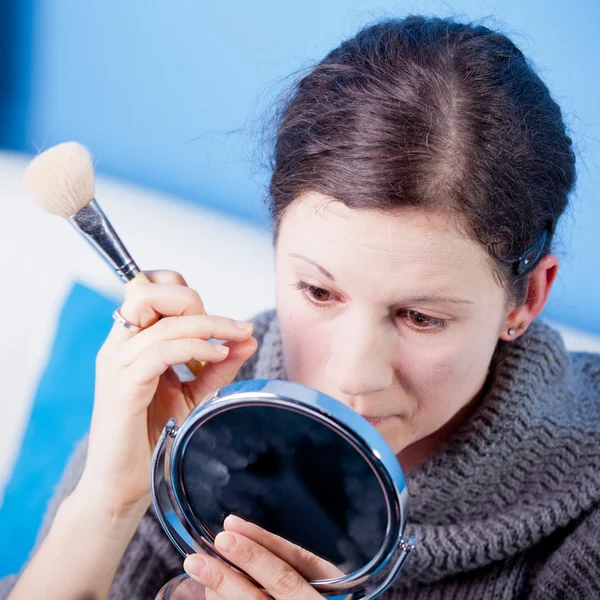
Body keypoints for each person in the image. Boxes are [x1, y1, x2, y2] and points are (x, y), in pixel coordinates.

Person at [2, 14, 599, 600]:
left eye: (421, 317)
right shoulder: (184, 427)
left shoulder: (583, 526)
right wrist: (108, 505)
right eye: (319, 292)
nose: (351, 377)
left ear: (528, 299)